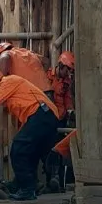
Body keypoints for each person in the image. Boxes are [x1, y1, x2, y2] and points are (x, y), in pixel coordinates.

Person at [0, 68, 60, 201]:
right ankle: (27, 184)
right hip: (47, 116)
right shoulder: (14, 89)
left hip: (42, 114)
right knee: (30, 152)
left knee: (18, 148)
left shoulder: (8, 81)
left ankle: (27, 189)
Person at [43, 51, 75, 192]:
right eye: (67, 69)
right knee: (47, 150)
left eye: (71, 71)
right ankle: (49, 181)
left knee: (60, 151)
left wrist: (70, 111)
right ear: (60, 65)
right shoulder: (47, 77)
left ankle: (58, 182)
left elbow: (68, 99)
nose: (69, 73)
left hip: (61, 120)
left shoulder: (67, 82)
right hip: (49, 118)